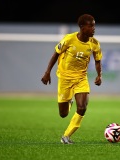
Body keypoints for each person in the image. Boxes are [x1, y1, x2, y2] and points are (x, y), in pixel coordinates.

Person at [41, 14, 102, 144]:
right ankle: (68, 103)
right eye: (90, 25)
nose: (93, 28)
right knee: (63, 114)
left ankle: (66, 136)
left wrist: (99, 75)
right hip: (64, 79)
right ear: (82, 27)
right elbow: (56, 54)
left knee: (82, 107)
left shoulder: (94, 44)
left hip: (81, 78)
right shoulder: (69, 39)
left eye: (94, 25)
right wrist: (47, 72)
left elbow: (98, 61)